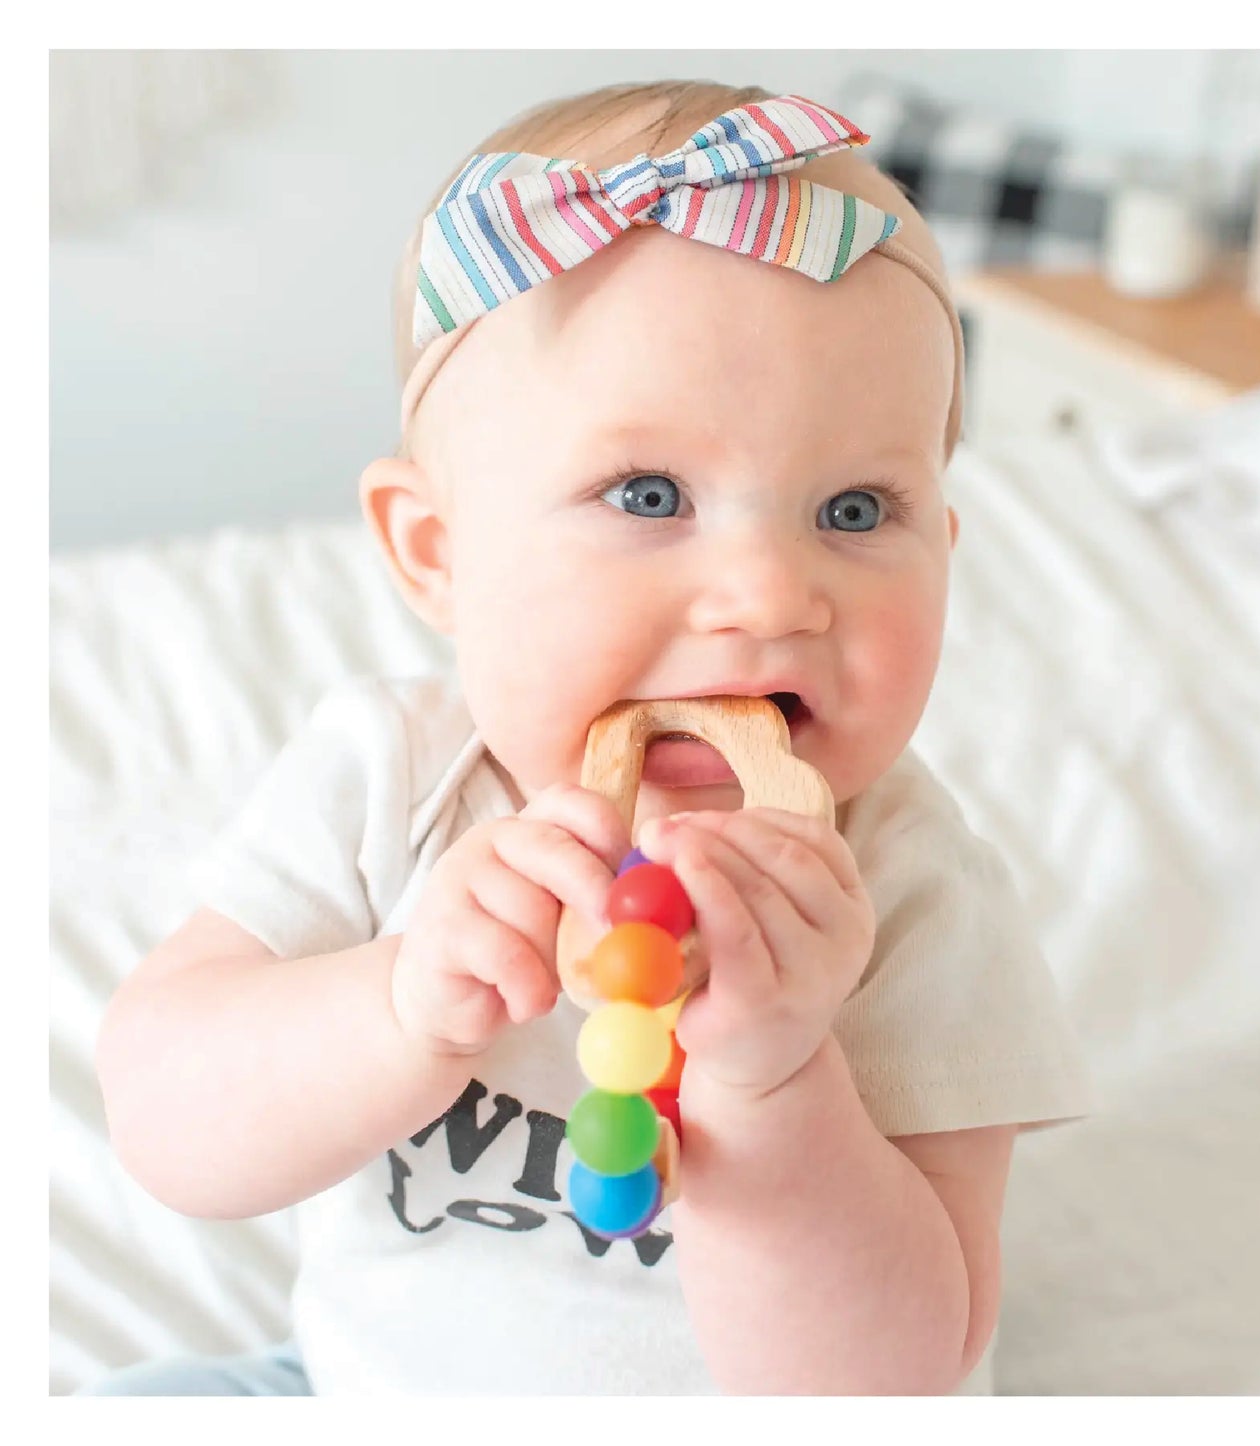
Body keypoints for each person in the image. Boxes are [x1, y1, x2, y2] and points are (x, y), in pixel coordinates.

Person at [88, 80, 1089, 1396]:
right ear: (435, 554)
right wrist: (399, 1002)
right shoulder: (392, 777)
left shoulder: (905, 892)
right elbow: (170, 1124)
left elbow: (890, 1382)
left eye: (853, 506)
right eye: (648, 494)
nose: (770, 593)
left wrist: (775, 1076)